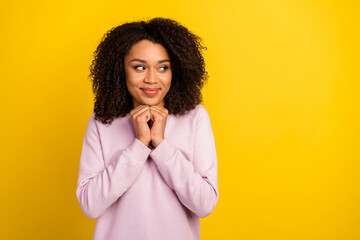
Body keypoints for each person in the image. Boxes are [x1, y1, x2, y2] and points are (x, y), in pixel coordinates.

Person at [76, 17, 219, 240]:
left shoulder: (195, 118)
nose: (152, 79)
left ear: (176, 71)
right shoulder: (102, 121)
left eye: (163, 67)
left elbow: (205, 204)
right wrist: (139, 145)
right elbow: (90, 205)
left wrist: (161, 145)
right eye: (139, 67)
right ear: (120, 69)